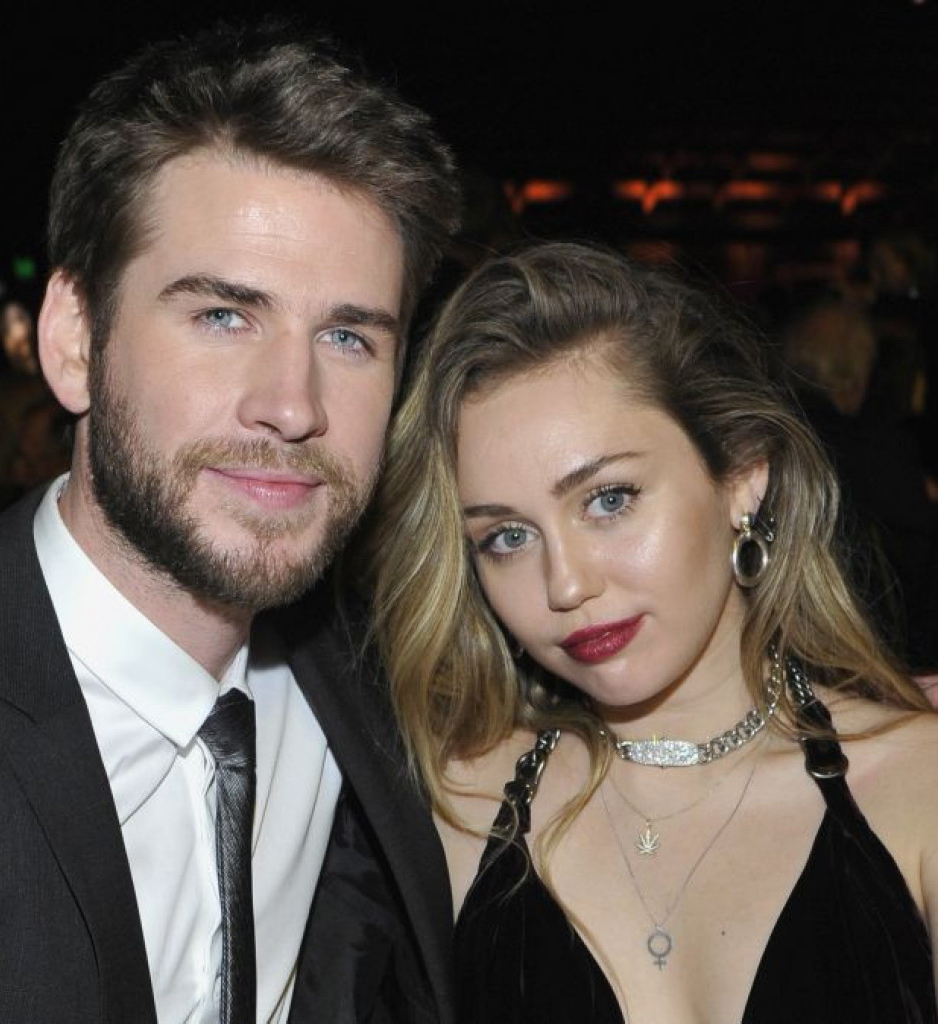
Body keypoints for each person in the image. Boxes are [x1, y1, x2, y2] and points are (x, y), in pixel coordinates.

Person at [0, 24, 459, 1024]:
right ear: (73, 341)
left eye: (347, 336)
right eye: (222, 316)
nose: (292, 404)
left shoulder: (378, 682)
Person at [371, 242, 938, 1023]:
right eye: (507, 537)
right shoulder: (449, 807)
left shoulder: (916, 786)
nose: (566, 584)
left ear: (743, 475)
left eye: (609, 500)